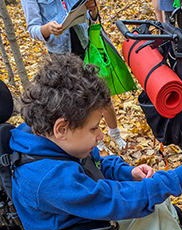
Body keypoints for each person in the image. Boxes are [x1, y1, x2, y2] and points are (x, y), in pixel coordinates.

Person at [10, 53, 182, 230]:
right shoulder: (47, 178)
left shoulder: (47, 138)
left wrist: (127, 172)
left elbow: (95, 164)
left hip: (86, 210)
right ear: (62, 128)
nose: (100, 135)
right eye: (94, 128)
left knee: (154, 193)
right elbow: (109, 199)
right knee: (154, 215)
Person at [21, 0, 127, 151]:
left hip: (86, 46)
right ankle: (96, 143)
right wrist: (48, 29)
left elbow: (91, 17)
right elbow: (33, 29)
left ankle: (115, 133)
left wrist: (93, 11)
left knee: (102, 95)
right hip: (61, 54)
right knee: (80, 103)